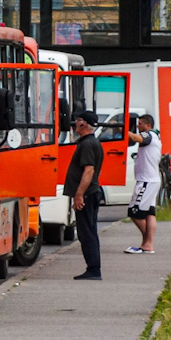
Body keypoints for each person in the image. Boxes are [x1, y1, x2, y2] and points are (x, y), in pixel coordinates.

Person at [65, 109, 104, 281]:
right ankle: (93, 268)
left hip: (87, 194)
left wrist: (79, 194)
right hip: (91, 193)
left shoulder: (87, 144)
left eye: (77, 121)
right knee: (88, 231)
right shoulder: (91, 142)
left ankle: (94, 270)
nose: (75, 124)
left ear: (83, 124)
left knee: (86, 232)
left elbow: (88, 171)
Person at [126, 113, 161, 254]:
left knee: (134, 211)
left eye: (140, 123)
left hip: (146, 181)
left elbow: (136, 138)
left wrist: (124, 130)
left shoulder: (149, 135)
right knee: (149, 214)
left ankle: (147, 241)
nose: (138, 126)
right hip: (152, 179)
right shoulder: (156, 137)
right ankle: (148, 244)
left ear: (148, 125)